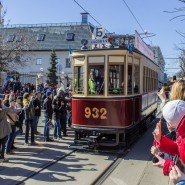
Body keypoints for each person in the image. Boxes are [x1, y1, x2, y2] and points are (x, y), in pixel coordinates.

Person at [152, 100, 185, 176]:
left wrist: (166, 165)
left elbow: (183, 171)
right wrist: (161, 140)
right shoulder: (182, 132)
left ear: (171, 124)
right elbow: (179, 149)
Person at [0, 98, 22, 162]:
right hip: (3, 128)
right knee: (3, 142)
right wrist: (12, 106)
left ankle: (2, 156)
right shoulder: (3, 109)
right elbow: (11, 109)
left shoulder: (3, 108)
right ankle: (2, 157)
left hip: (3, 127)